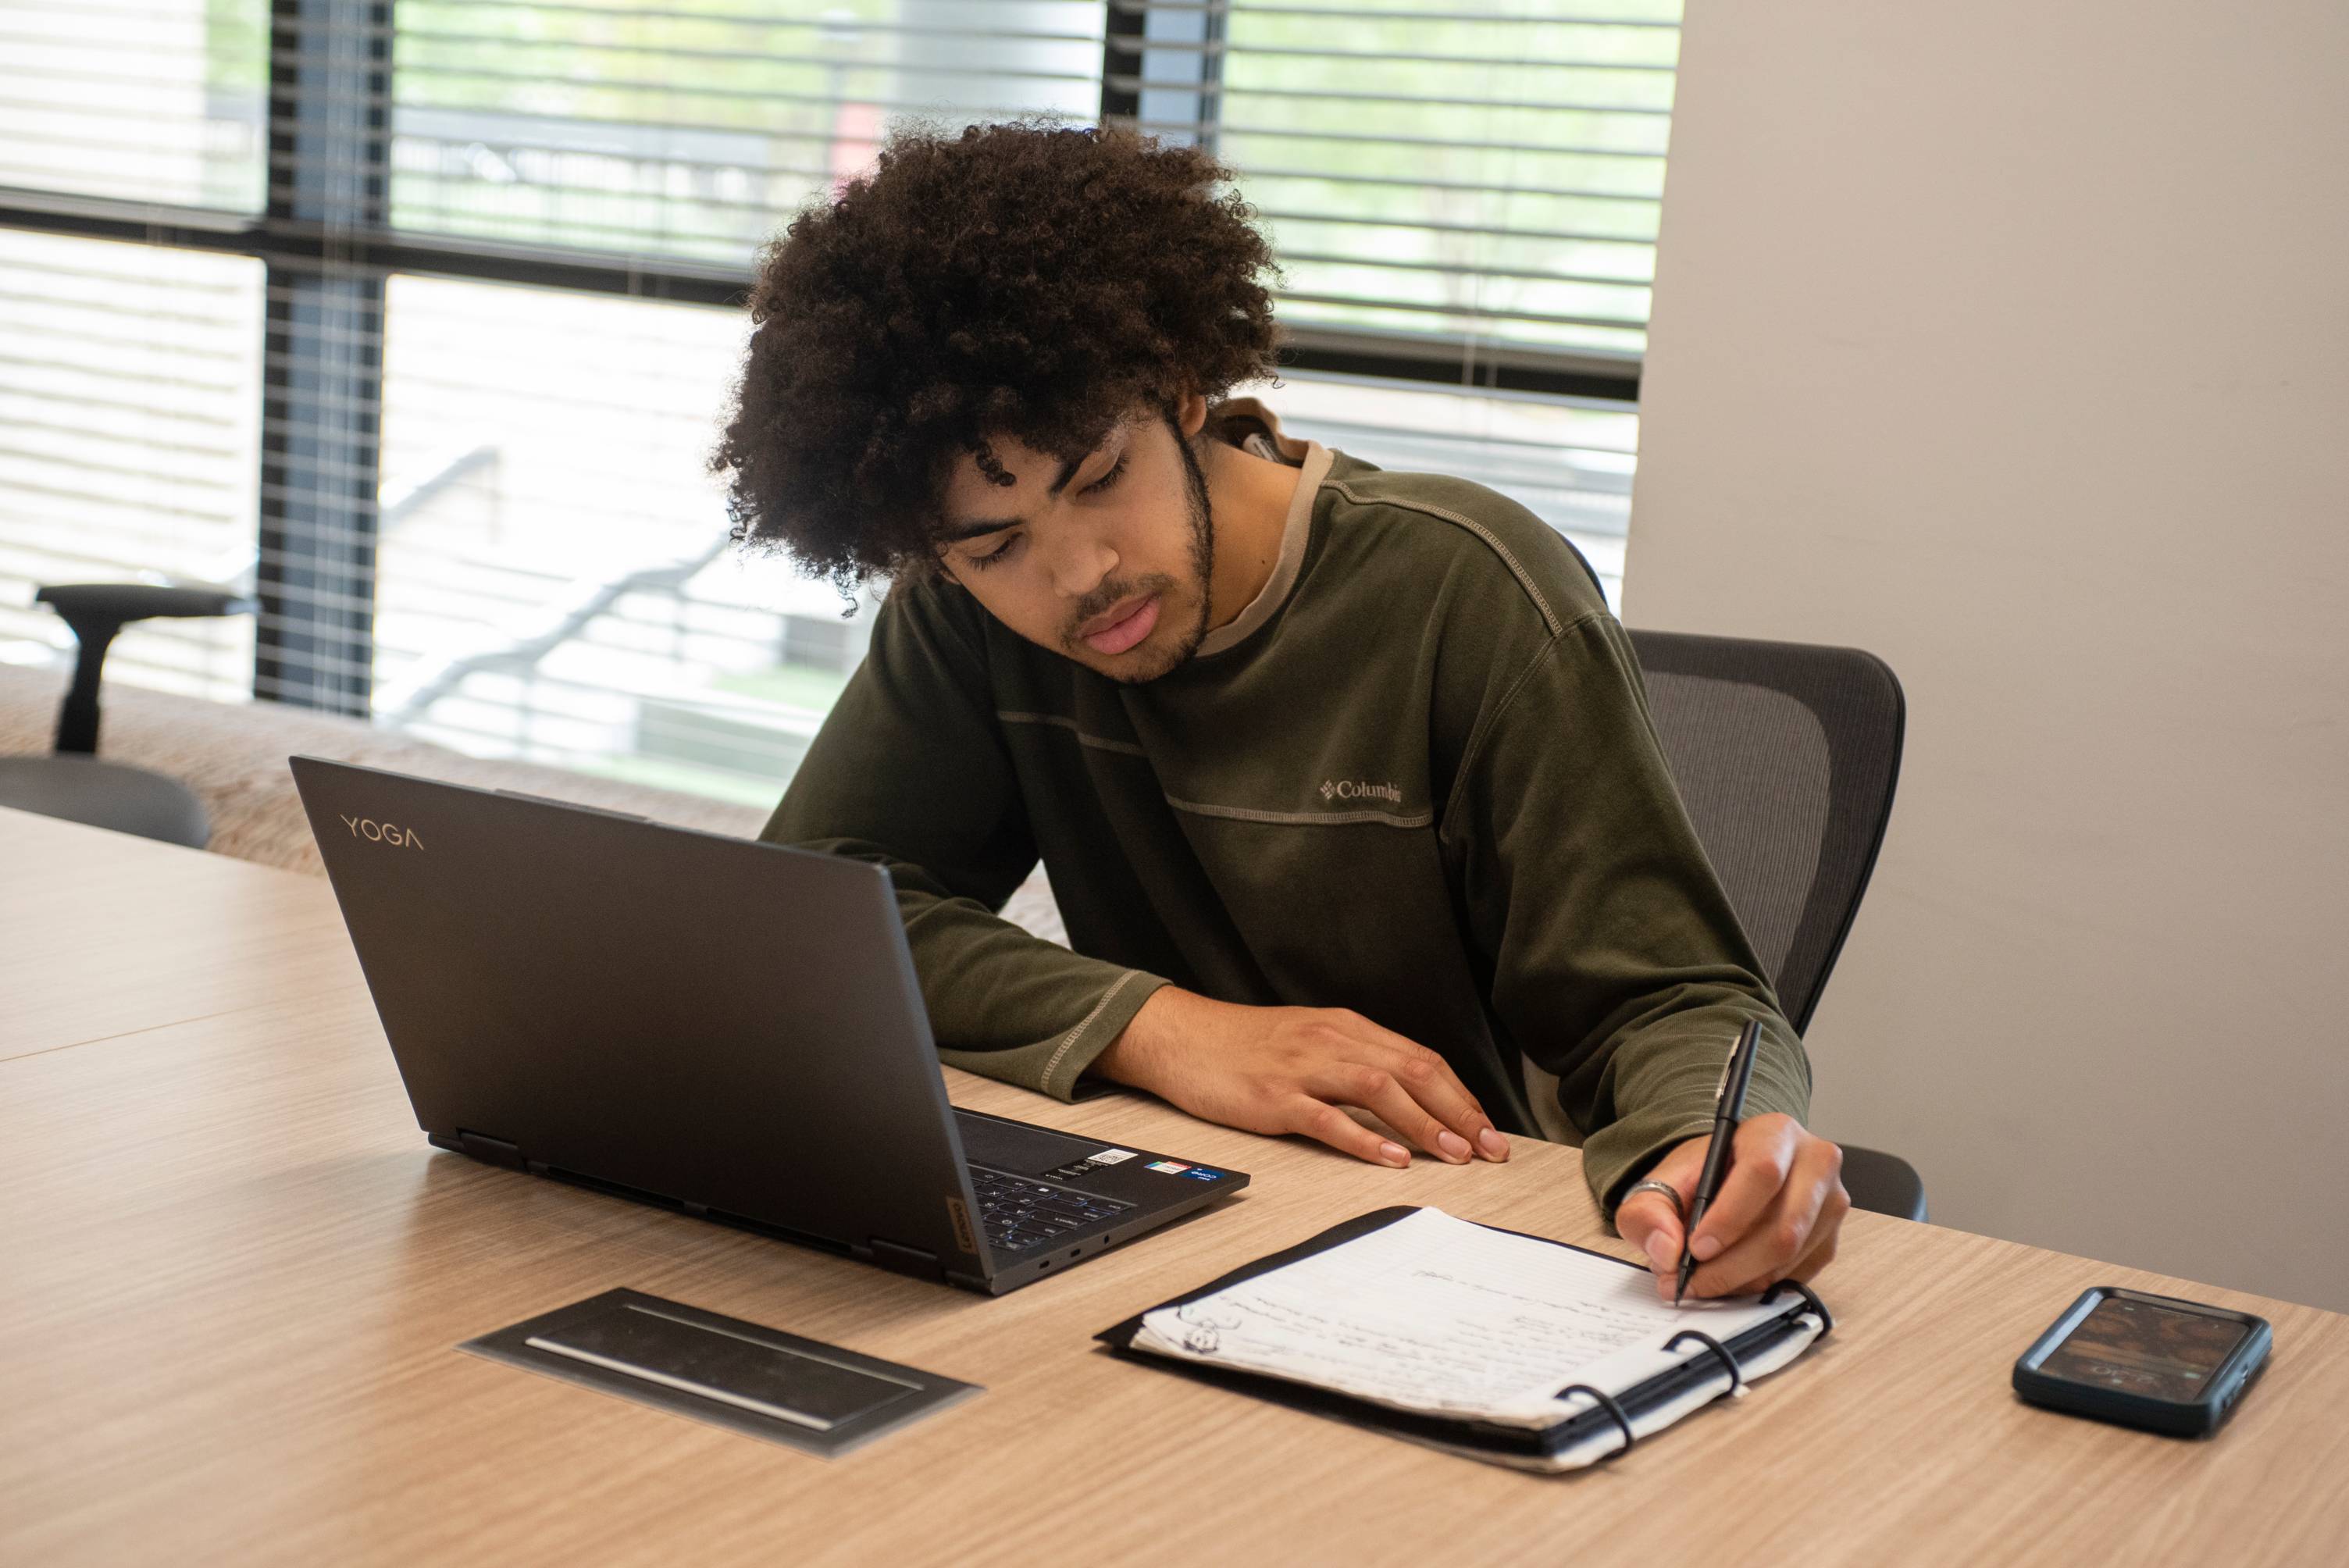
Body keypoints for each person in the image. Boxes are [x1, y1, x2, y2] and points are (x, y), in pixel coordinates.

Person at [711, 120, 1848, 1297]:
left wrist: (1704, 1149)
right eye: (996, 547)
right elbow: (824, 906)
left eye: (1100, 477)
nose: (1081, 574)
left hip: (1455, 1230)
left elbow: (1674, 999)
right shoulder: (970, 615)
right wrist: (1162, 1028)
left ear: (1183, 389)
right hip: (1173, 1205)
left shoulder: (1466, 592)